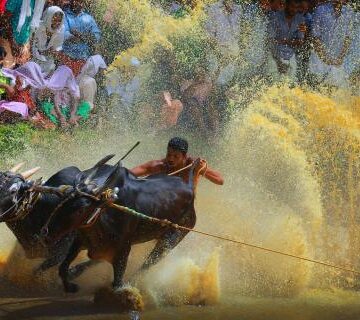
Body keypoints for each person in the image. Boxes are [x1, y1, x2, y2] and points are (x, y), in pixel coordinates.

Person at [130, 137, 224, 187]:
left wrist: (201, 170)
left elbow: (220, 180)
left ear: (184, 157)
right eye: (169, 154)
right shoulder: (160, 166)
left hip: (184, 205)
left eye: (176, 156)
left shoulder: (193, 165)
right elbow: (129, 173)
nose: (171, 159)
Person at [309, 0, 354, 88]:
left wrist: (340, 58)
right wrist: (325, 58)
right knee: (317, 92)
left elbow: (348, 38)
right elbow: (315, 37)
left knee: (336, 93)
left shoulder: (349, 12)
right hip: (319, 60)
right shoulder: (320, 10)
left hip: (338, 61)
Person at [267, 0, 306, 80]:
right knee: (273, 88)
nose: (294, 10)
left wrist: (284, 41)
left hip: (291, 58)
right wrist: (278, 62)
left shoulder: (300, 19)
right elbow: (270, 41)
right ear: (286, 5)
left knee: (291, 87)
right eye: (292, 7)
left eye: (296, 8)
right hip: (274, 58)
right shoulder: (275, 17)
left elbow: (300, 42)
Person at [60, 0, 101, 75]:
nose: (75, 3)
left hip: (83, 60)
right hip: (66, 58)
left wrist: (80, 35)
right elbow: (63, 35)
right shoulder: (64, 15)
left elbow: (96, 37)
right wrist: (85, 38)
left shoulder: (89, 18)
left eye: (79, 1)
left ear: (83, 3)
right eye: (74, 1)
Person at [32, 6, 65, 75]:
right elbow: (31, 46)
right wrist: (42, 52)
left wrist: (54, 52)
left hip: (47, 63)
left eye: (59, 21)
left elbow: (57, 49)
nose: (57, 23)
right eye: (54, 20)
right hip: (32, 60)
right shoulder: (37, 27)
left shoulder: (61, 30)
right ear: (49, 18)